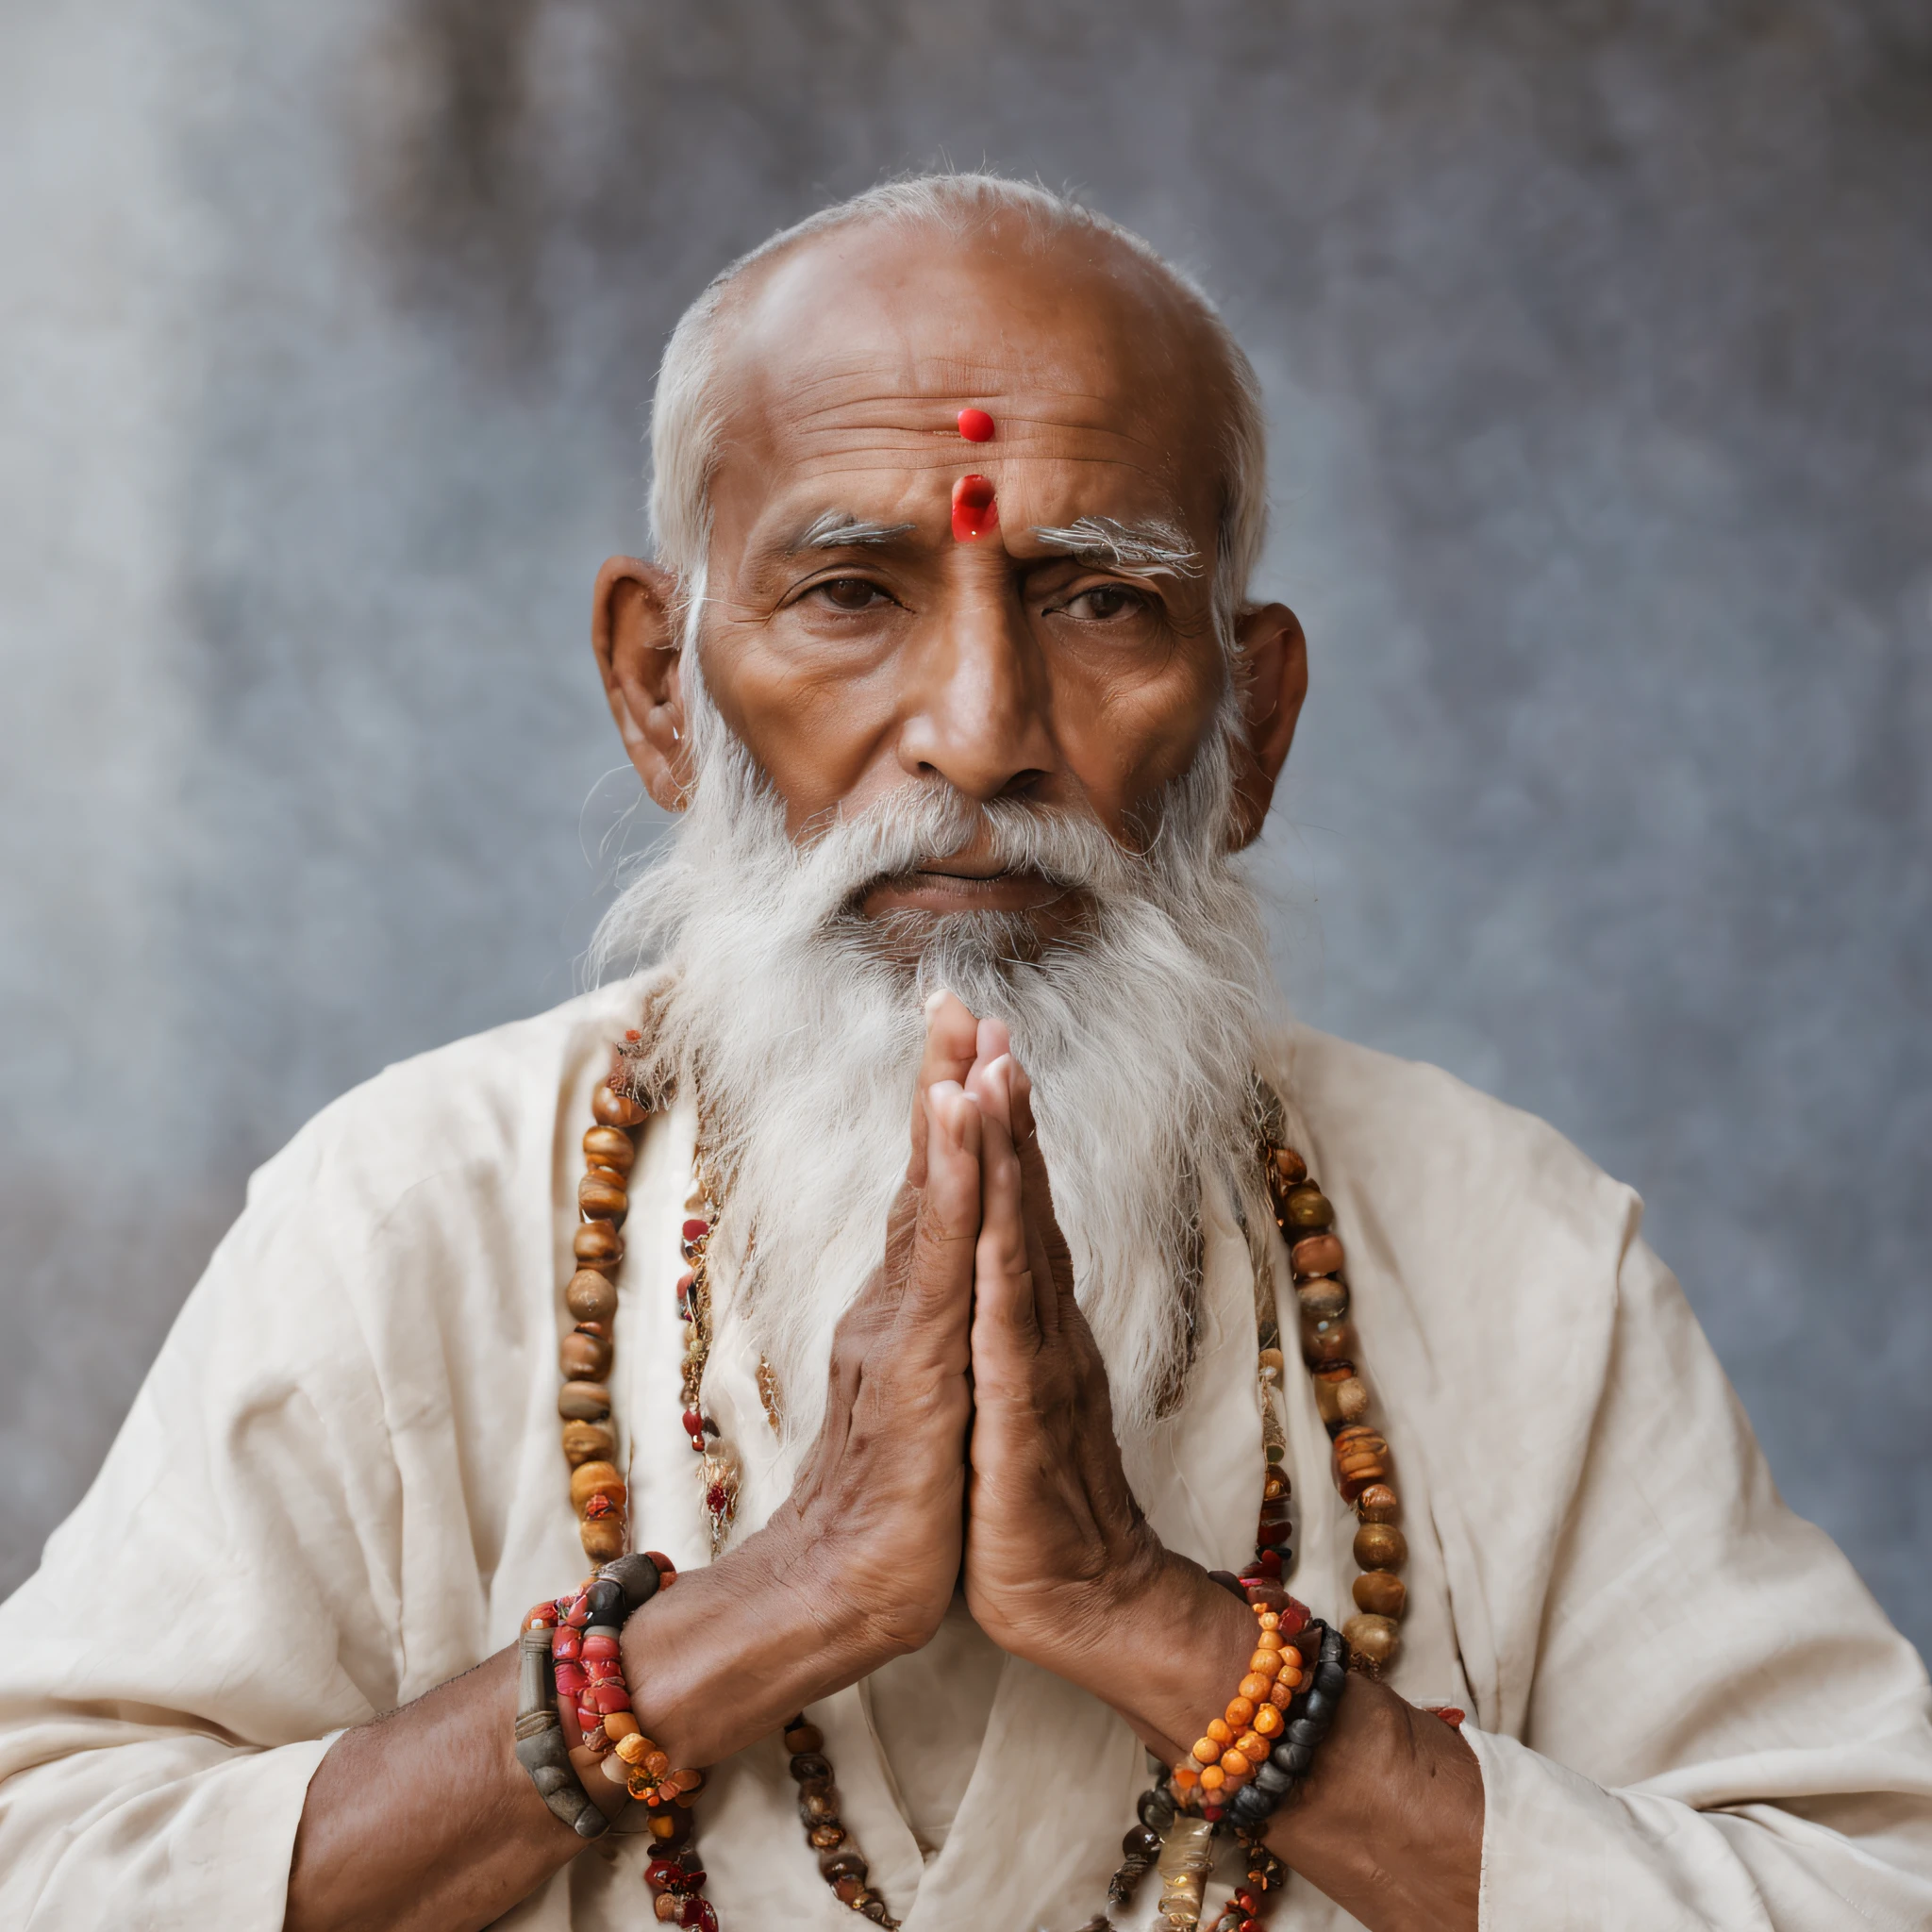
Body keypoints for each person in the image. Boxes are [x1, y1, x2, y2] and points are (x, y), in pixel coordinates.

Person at [1, 174, 1926, 1932]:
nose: (982, 728)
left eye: (1100, 599)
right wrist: (760, 1614)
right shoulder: (408, 1213)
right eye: (852, 593)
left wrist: (1160, 1629)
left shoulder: (1506, 1255)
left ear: (1249, 726)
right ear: (660, 691)